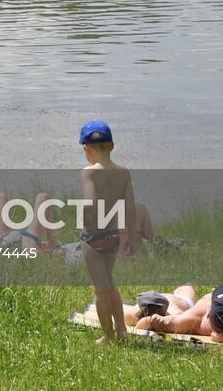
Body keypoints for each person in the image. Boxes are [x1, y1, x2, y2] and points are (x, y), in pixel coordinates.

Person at [77, 120, 139, 344]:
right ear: (112, 145)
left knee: (100, 289)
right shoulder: (124, 173)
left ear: (86, 148)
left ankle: (109, 336)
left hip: (93, 237)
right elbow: (130, 208)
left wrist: (87, 220)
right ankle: (121, 329)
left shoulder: (89, 173)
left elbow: (89, 203)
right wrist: (129, 237)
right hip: (112, 235)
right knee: (110, 282)